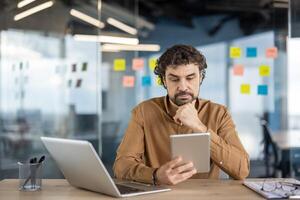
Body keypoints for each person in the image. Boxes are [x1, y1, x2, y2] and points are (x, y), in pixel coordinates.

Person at [113, 44, 249, 185]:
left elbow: (242, 170)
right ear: (164, 80)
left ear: (200, 77)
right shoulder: (143, 112)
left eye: (190, 78)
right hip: (158, 195)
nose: (183, 87)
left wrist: (200, 127)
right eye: (174, 79)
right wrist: (155, 175)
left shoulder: (219, 114)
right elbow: (121, 166)